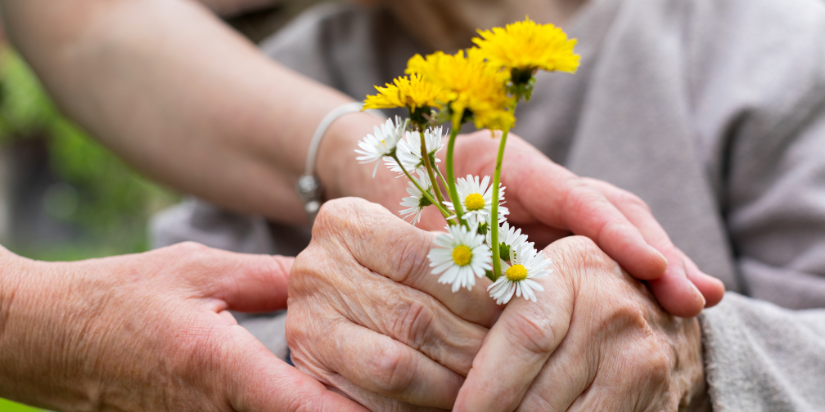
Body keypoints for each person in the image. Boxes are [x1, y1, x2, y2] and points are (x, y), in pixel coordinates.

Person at [0, 0, 722, 410]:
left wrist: (360, 153)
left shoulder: (728, 49)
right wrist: (34, 322)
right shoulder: (315, 52)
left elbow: (90, 29)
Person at [152, 0, 825, 410]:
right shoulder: (269, 83)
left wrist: (697, 356)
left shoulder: (768, 48)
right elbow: (180, 334)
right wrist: (336, 355)